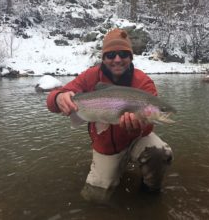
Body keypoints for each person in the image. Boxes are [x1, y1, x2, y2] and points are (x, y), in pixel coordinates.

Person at [47, 28, 173, 202]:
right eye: (110, 55)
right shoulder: (90, 76)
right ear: (103, 58)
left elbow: (149, 126)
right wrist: (58, 98)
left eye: (123, 54)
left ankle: (150, 193)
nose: (117, 59)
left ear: (131, 57)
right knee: (94, 198)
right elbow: (52, 101)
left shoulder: (143, 81)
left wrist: (140, 124)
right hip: (105, 146)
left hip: (136, 139)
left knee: (159, 153)